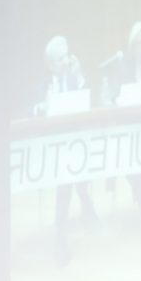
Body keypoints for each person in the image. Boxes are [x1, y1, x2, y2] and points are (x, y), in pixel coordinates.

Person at [35, 36, 99, 259]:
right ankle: (61, 236)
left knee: (76, 176)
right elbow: (33, 109)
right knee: (65, 182)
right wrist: (42, 106)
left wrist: (79, 73)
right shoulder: (44, 85)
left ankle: (85, 204)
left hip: (77, 143)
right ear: (51, 64)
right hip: (55, 149)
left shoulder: (75, 79)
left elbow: (90, 97)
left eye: (66, 57)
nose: (65, 62)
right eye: (60, 59)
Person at [98, 22, 141, 225]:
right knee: (126, 157)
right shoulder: (121, 65)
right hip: (127, 126)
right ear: (132, 46)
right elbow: (114, 94)